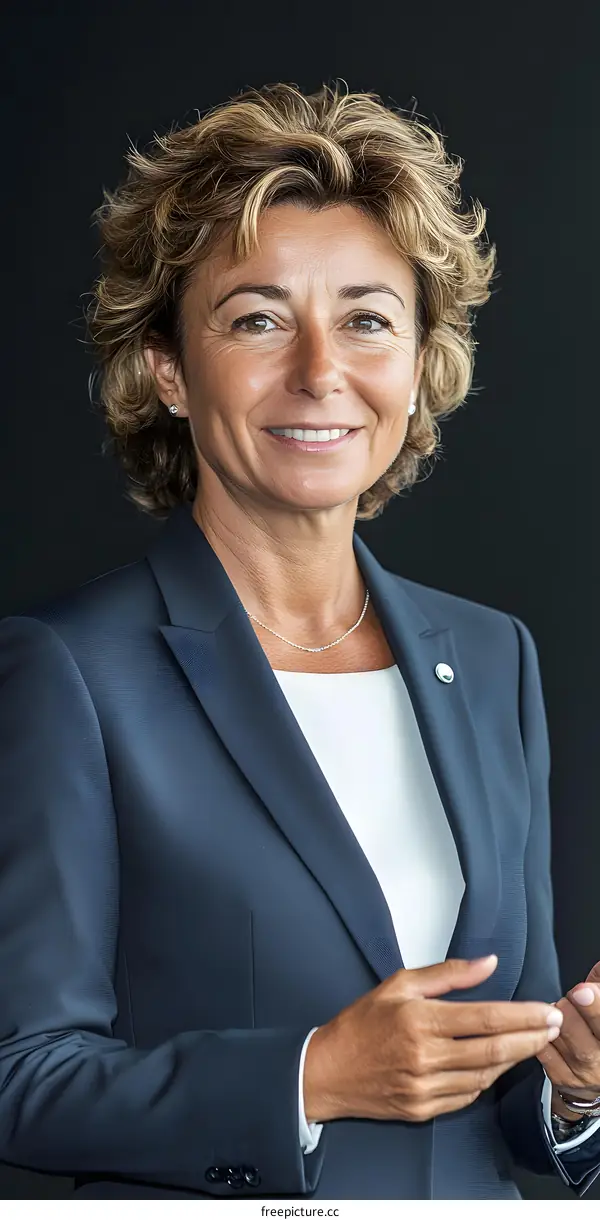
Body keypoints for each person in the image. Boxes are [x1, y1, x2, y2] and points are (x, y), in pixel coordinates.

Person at [0, 80, 599, 1203]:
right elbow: (19, 1078)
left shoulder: (494, 659)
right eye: (258, 318)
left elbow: (502, 1097)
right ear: (169, 368)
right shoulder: (66, 672)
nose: (321, 372)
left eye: (368, 317)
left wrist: (574, 1084)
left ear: (419, 365)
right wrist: (310, 1075)